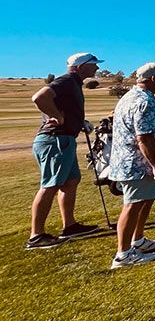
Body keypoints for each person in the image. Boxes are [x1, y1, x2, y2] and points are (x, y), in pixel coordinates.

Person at [26, 53, 103, 250]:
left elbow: (64, 107)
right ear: (80, 66)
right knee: (50, 185)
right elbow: (39, 97)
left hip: (64, 139)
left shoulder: (74, 83)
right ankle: (36, 236)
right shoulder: (67, 80)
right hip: (56, 140)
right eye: (93, 65)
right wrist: (58, 117)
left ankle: (69, 226)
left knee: (71, 181)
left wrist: (78, 122)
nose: (96, 68)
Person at [108, 62, 155, 269]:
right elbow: (143, 138)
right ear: (153, 79)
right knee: (133, 204)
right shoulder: (144, 101)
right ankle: (123, 255)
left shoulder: (130, 96)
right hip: (137, 163)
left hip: (134, 162)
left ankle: (138, 240)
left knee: (145, 200)